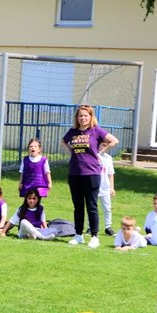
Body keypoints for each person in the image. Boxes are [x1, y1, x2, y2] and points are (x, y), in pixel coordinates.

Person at [62, 104, 119, 248]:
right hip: (75, 173)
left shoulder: (96, 131)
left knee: (92, 205)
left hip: (92, 173)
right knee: (78, 206)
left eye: (85, 115)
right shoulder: (73, 132)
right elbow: (63, 141)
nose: (83, 118)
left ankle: (94, 236)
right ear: (77, 118)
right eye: (80, 115)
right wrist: (71, 150)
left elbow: (114, 140)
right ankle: (78, 235)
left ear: (90, 117)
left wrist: (101, 152)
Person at [97, 139, 115, 236]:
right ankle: (90, 227)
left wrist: (112, 188)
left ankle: (108, 227)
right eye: (102, 145)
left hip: (105, 187)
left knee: (107, 208)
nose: (104, 148)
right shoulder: (94, 156)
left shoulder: (108, 158)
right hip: (94, 187)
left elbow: (110, 173)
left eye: (106, 146)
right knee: (92, 208)